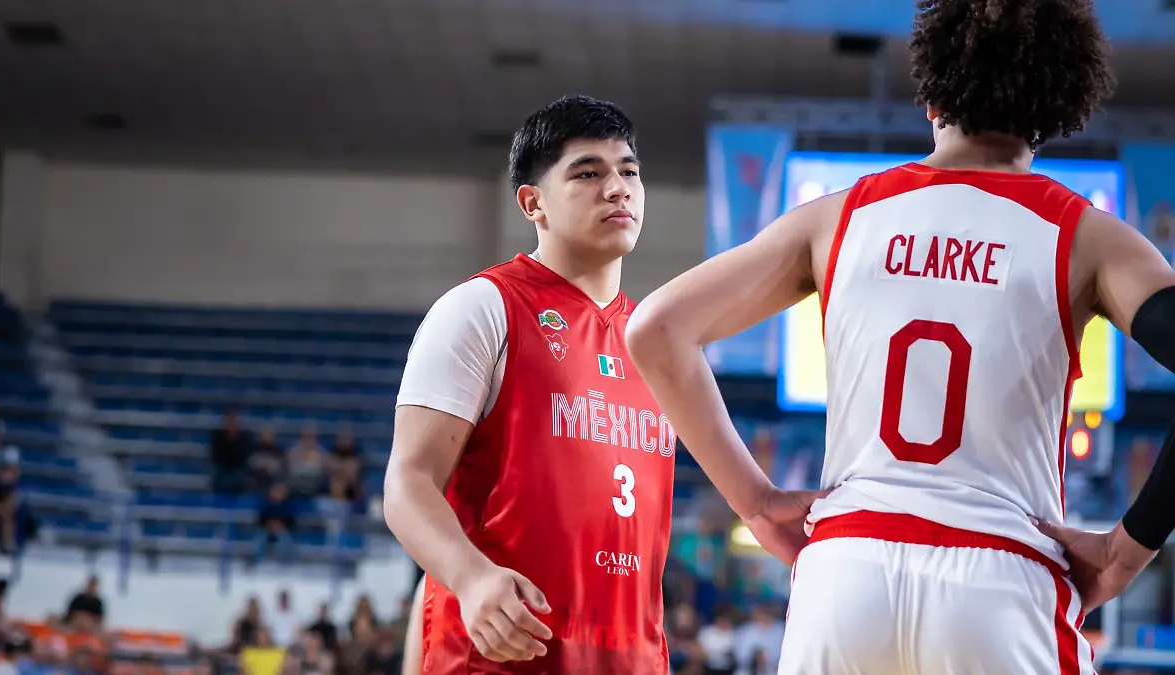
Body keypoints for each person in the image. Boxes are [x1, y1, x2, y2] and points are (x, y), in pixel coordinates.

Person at [626, 0, 1175, 672]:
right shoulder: (1088, 236)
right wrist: (1129, 547)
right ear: (1056, 105)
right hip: (1000, 574)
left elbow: (656, 328)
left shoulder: (835, 219)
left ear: (930, 97)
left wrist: (760, 503)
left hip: (845, 568)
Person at [384, 95, 827, 674]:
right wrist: (469, 576)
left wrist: (772, 508)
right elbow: (407, 483)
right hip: (504, 654)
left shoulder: (657, 338)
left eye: (629, 172)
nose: (617, 188)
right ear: (532, 202)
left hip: (630, 658)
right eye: (588, 173)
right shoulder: (483, 307)